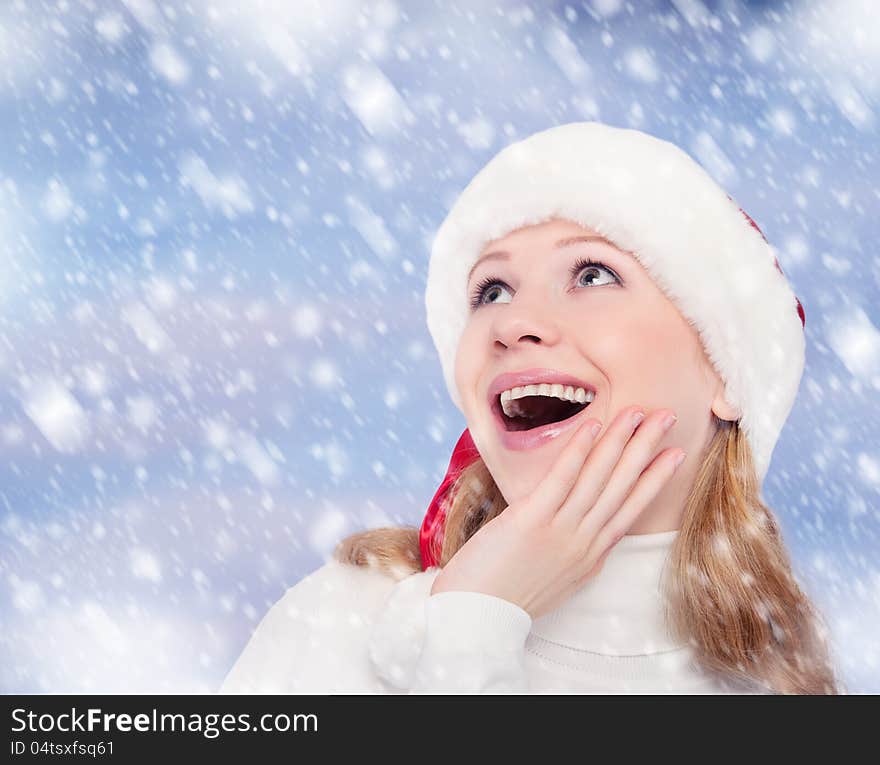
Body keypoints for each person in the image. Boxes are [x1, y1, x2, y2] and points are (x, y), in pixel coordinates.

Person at [218, 121, 843, 694]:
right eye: (492, 290)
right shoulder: (339, 625)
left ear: (724, 370)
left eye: (593, 274)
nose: (513, 322)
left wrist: (471, 638)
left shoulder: (776, 686)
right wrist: (473, 614)